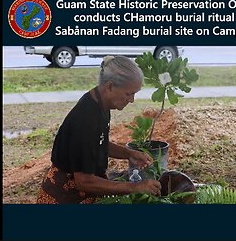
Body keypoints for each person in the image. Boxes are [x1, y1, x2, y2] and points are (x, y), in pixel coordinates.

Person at [37, 55, 162, 204]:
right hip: (66, 196)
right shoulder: (86, 120)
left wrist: (129, 154)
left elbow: (98, 143)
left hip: (83, 191)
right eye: (128, 94)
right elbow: (84, 181)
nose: (132, 100)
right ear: (110, 86)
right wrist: (135, 187)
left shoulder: (100, 102)